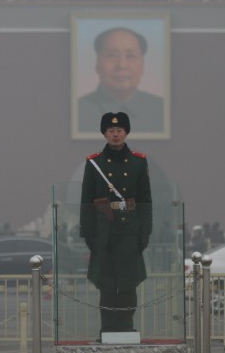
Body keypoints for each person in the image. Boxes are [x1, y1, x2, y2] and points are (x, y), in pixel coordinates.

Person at [79, 112, 152, 340]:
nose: (115, 134)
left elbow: (145, 201)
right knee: (107, 284)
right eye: (111, 130)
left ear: (126, 132)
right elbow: (86, 201)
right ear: (104, 133)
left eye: (120, 130)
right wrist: (89, 234)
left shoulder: (139, 161)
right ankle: (108, 329)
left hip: (129, 231)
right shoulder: (94, 163)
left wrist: (144, 231)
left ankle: (127, 328)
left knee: (128, 284)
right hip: (105, 233)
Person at [78, 27, 164, 134]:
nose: (121, 65)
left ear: (142, 65)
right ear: (97, 64)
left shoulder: (162, 110)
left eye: (130, 56)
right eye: (111, 55)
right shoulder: (77, 111)